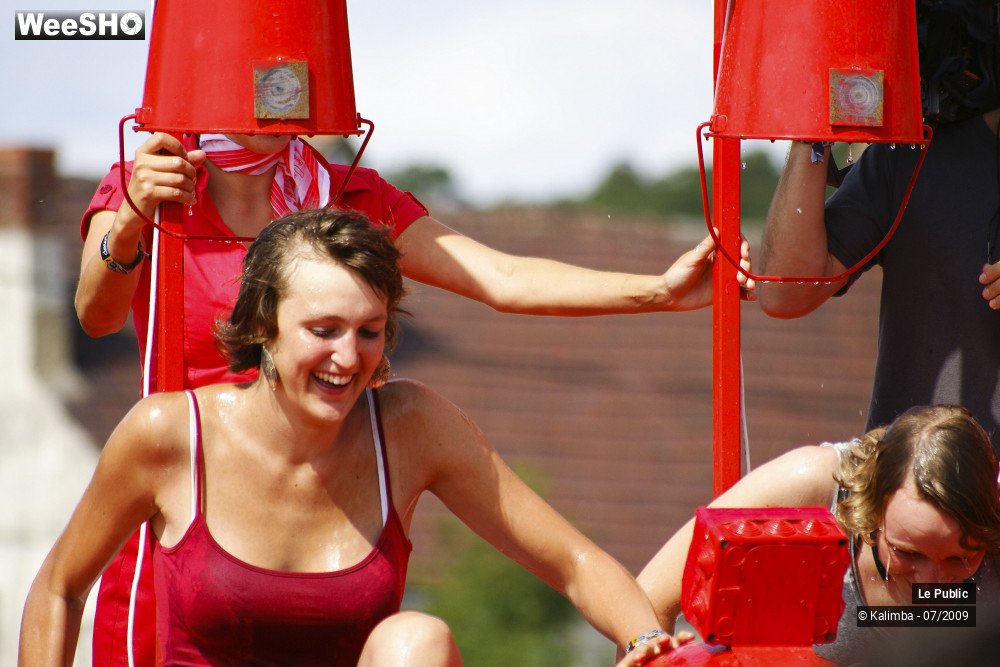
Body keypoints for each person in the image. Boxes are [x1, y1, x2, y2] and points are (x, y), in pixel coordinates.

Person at [77, 131, 752, 665]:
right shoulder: (153, 179)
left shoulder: (350, 199)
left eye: (368, 330)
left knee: (415, 639)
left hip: (333, 479)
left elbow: (500, 277)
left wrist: (657, 291)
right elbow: (96, 315)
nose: (348, 351)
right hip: (192, 500)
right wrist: (132, 219)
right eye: (323, 328)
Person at [757, 3, 1000, 447]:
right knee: (807, 471)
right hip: (907, 482)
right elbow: (786, 288)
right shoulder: (914, 156)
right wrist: (815, 124)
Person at [636, 404, 1000, 664]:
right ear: (872, 508)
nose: (930, 582)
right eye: (908, 552)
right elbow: (648, 600)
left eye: (961, 559)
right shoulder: (815, 488)